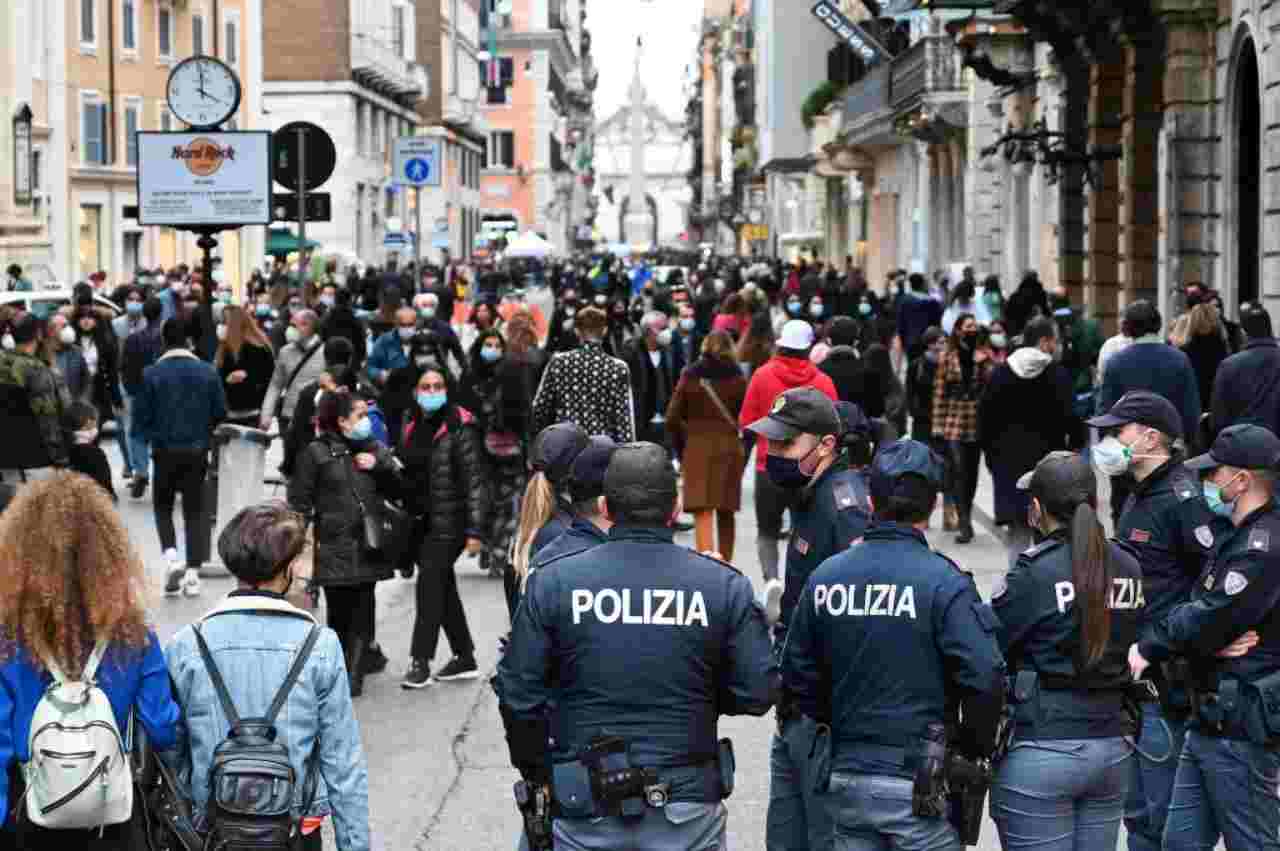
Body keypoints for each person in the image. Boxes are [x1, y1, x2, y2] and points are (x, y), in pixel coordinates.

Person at [496, 442, 775, 850]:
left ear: (606, 508)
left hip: (585, 808)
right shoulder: (722, 585)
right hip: (686, 811)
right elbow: (758, 692)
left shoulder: (554, 582)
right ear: (675, 508)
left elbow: (519, 694)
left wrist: (540, 771)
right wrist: (699, 689)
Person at [782, 437, 1005, 851]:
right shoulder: (945, 582)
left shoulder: (827, 577)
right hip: (919, 780)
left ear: (871, 497)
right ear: (935, 504)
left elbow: (797, 675)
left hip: (847, 775)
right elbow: (985, 676)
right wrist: (969, 748)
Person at [163, 501, 371, 851]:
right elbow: (343, 764)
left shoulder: (186, 645)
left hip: (210, 831)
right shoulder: (320, 644)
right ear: (287, 568)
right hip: (291, 832)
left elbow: (172, 751)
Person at [0, 472, 179, 849]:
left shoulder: (8, 637)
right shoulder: (133, 635)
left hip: (28, 810)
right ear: (109, 552)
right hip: (110, 810)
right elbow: (162, 726)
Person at [1129, 424, 1280, 851]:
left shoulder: (1263, 545)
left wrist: (1156, 642)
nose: (1208, 482)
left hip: (1240, 724)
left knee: (1253, 841)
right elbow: (1202, 606)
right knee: (1179, 842)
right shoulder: (1235, 530)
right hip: (1208, 715)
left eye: (1216, 474)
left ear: (1244, 479)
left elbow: (1209, 614)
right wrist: (1210, 636)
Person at [1083, 390, 1221, 851]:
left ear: (1150, 436)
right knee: (1139, 814)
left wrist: (1164, 643)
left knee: (1163, 818)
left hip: (1166, 680)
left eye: (1116, 430)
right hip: (1134, 683)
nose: (1106, 440)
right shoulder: (1139, 494)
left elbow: (1212, 587)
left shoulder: (1182, 499)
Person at [988, 450, 1142, 849]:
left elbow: (988, 650)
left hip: (1043, 746)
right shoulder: (1128, 565)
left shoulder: (1033, 573)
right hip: (1112, 747)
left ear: (1036, 509)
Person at [748, 387, 872, 851]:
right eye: (771, 444)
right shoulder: (808, 493)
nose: (774, 454)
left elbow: (859, 621)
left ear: (825, 445)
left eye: (786, 444)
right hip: (797, 703)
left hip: (826, 718)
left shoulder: (845, 509)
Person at [288, 391, 401, 698]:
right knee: (338, 612)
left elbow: (399, 488)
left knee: (363, 609)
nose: (366, 421)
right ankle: (339, 669)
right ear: (340, 421)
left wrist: (378, 465)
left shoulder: (374, 448)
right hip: (333, 545)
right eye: (360, 415)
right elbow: (299, 501)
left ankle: (353, 676)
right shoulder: (316, 453)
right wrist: (299, 546)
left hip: (368, 543)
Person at [397, 364, 489, 689]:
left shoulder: (460, 426)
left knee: (429, 587)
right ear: (415, 391)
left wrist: (476, 532)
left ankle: (419, 661)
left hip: (451, 523)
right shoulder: (411, 424)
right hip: (421, 523)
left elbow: (476, 481)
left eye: (438, 386)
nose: (432, 392)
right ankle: (464, 657)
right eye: (426, 386)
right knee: (443, 588)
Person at [132, 318, 227, 598]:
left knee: (162, 507)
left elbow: (140, 420)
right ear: (189, 341)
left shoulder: (151, 374)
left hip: (163, 452)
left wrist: (152, 436)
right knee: (195, 510)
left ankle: (172, 558)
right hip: (197, 452)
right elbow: (220, 412)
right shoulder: (207, 372)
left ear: (164, 340)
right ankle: (194, 574)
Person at [739, 319, 839, 583]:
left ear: (780, 345)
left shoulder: (762, 376)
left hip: (767, 467)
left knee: (767, 533)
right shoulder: (824, 382)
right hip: (809, 470)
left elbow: (747, 422)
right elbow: (835, 427)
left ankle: (771, 580)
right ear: (808, 349)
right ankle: (801, 582)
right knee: (804, 531)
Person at [979, 317, 1075, 562]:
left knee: (1018, 533)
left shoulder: (1000, 373)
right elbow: (1071, 419)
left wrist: (992, 459)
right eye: (1054, 340)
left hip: (1008, 464)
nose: (1057, 345)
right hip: (1048, 465)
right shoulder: (1057, 374)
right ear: (1044, 342)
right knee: (1050, 532)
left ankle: (1017, 589)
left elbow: (986, 420)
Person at [665, 330, 748, 561]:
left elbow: (672, 417)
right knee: (726, 510)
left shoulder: (690, 375)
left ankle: (706, 562)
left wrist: (683, 446)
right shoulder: (738, 377)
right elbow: (748, 418)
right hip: (730, 448)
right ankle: (726, 564)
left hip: (698, 447)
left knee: (702, 510)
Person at [530, 306, 635, 444]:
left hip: (564, 446)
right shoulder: (618, 368)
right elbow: (624, 419)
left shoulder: (559, 362)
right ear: (604, 331)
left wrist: (538, 442)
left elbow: (539, 407)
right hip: (602, 450)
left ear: (576, 331)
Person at [467, 330, 525, 578]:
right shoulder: (471, 378)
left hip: (510, 451)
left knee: (509, 503)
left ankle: (500, 551)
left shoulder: (512, 374)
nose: (492, 349)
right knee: (486, 500)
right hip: (479, 450)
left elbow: (524, 410)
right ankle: (490, 545)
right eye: (487, 344)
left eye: (496, 345)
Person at [932, 313, 993, 544]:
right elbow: (938, 393)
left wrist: (986, 359)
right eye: (968, 326)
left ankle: (965, 510)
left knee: (972, 472)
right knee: (959, 471)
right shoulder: (947, 357)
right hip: (954, 420)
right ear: (958, 330)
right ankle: (964, 522)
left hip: (976, 420)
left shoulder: (983, 356)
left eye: (974, 326)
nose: (972, 329)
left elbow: (991, 384)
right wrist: (937, 425)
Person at [0, 314, 68, 475]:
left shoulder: (2, 361)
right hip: (33, 456)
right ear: (38, 334)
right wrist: (60, 457)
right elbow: (47, 416)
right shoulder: (35, 369)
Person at [1211, 301, 1280, 438]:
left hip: (1241, 443)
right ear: (1270, 330)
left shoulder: (1229, 365)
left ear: (1243, 332)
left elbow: (1219, 417)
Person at [260, 309, 325, 436]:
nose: (290, 330)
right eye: (290, 325)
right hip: (288, 417)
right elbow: (275, 385)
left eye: (295, 326)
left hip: (313, 418)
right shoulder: (285, 352)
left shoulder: (325, 352)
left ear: (309, 327)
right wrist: (266, 415)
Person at [214, 304, 275, 428]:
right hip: (229, 415)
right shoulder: (224, 348)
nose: (221, 326)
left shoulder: (258, 350)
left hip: (251, 414)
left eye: (224, 322)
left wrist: (247, 378)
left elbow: (269, 381)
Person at [625, 311, 678, 450]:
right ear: (648, 330)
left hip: (665, 421)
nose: (666, 332)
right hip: (642, 421)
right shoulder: (631, 352)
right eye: (661, 328)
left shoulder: (669, 352)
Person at [64, 399, 115, 500]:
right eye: (95, 423)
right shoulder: (96, 454)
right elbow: (104, 482)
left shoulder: (66, 450)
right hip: (94, 501)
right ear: (88, 423)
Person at [894, 272, 944, 362]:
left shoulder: (904, 301)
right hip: (929, 341)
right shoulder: (933, 302)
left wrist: (900, 340)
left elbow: (901, 323)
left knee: (913, 367)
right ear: (922, 284)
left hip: (911, 342)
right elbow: (938, 323)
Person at [818, 317, 867, 405]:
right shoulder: (867, 370)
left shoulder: (819, 371)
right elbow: (876, 409)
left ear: (829, 341)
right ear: (856, 342)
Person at [1003, 270, 1050, 338]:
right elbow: (1045, 310)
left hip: (1017, 330)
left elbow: (1007, 312)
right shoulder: (1040, 293)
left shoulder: (1015, 295)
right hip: (1034, 331)